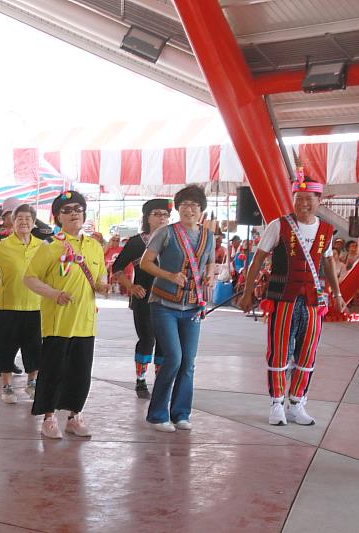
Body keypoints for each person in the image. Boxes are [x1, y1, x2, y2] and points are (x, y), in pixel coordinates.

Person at [239, 177, 346, 427]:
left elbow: (328, 263)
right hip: (282, 299)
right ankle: (277, 403)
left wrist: (338, 294)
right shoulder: (278, 226)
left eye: (310, 199)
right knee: (279, 351)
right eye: (299, 198)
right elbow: (257, 260)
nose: (304, 203)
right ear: (293, 199)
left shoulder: (326, 231)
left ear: (320, 201)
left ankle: (298, 402)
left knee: (307, 352)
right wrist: (246, 292)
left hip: (312, 301)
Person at [23, 190, 109, 439]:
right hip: (57, 323)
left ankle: (74, 415)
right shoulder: (50, 246)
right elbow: (29, 278)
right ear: (58, 217)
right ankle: (48, 418)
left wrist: (102, 285)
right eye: (67, 210)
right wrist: (53, 294)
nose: (74, 214)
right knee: (52, 372)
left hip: (85, 322)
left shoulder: (94, 246)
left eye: (78, 209)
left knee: (80, 373)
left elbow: (101, 274)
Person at [140, 185, 215, 432]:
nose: (189, 209)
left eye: (195, 205)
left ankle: (181, 414)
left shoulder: (208, 236)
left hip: (193, 307)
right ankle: (158, 414)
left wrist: (210, 276)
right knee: (173, 357)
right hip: (163, 304)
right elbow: (145, 263)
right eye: (184, 205)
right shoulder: (166, 233)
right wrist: (168, 276)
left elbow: (211, 263)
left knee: (188, 362)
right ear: (178, 208)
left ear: (202, 210)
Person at [0, 203, 43, 404]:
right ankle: (7, 387)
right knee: (5, 348)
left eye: (28, 219)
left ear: (33, 223)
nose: (24, 222)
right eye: (19, 219)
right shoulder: (3, 246)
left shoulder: (42, 246)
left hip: (36, 307)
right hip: (6, 307)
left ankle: (32, 383)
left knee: (34, 348)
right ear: (12, 223)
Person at [112, 198, 171, 398]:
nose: (162, 218)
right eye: (157, 214)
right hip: (144, 299)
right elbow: (117, 267)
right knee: (147, 339)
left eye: (165, 214)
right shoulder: (137, 242)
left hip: (169, 299)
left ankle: (161, 383)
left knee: (165, 341)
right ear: (147, 218)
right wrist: (131, 286)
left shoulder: (174, 239)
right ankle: (141, 381)